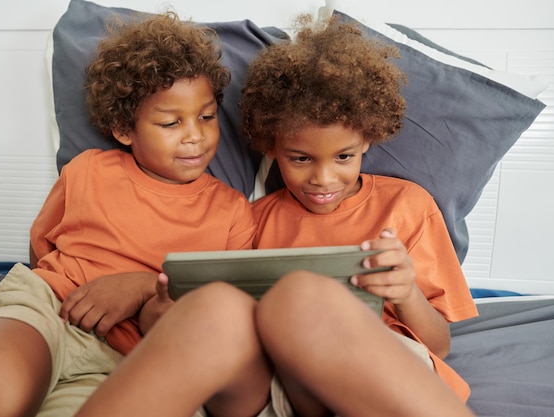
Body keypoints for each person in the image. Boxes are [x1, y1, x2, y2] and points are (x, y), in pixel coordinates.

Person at [73, 18, 477, 417]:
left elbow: (438, 345)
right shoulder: (256, 219)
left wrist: (406, 293)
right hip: (287, 383)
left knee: (303, 297)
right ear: (272, 148)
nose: (323, 179)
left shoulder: (407, 205)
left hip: (385, 366)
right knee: (269, 306)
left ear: (367, 140)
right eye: (300, 159)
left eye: (344, 156)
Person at [0, 12, 256, 417]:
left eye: (206, 116)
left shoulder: (233, 213)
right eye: (170, 122)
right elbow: (42, 245)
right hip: (49, 310)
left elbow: (219, 307)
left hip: (127, 359)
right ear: (124, 129)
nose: (195, 134)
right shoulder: (88, 170)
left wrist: (140, 287)